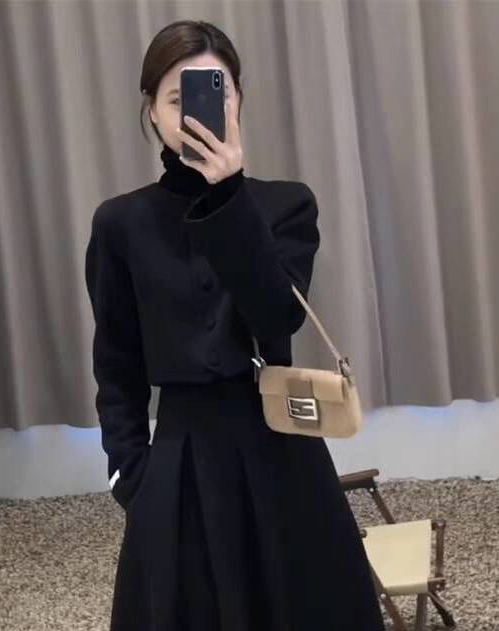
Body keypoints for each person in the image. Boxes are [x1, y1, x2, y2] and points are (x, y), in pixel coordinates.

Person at [84, 18, 386, 631]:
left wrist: (227, 196)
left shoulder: (285, 204)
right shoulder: (120, 223)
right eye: (178, 98)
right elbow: (117, 364)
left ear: (238, 100)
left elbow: (277, 317)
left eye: (214, 92)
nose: (196, 112)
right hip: (179, 462)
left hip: (281, 449)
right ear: (152, 110)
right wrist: (129, 475)